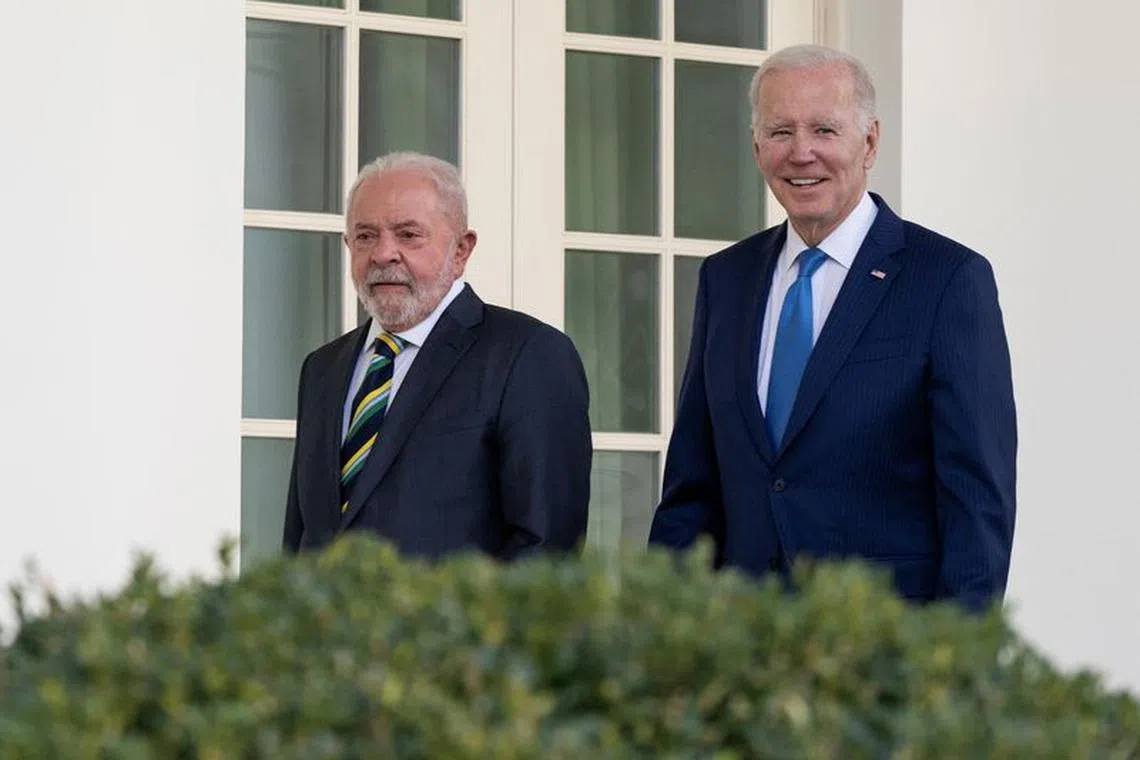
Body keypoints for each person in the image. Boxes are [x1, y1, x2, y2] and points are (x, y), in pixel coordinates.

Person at [649, 45, 1016, 611]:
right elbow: (693, 489)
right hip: (740, 649)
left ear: (869, 142)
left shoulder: (947, 281)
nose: (802, 153)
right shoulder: (726, 279)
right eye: (780, 132)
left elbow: (976, 502)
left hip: (881, 650)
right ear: (755, 147)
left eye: (824, 129)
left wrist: (955, 675)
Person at [284, 152, 591, 560]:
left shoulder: (528, 356)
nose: (383, 254)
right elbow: (301, 540)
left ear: (462, 250)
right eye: (365, 236)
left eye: (408, 235)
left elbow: (546, 551)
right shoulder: (322, 368)